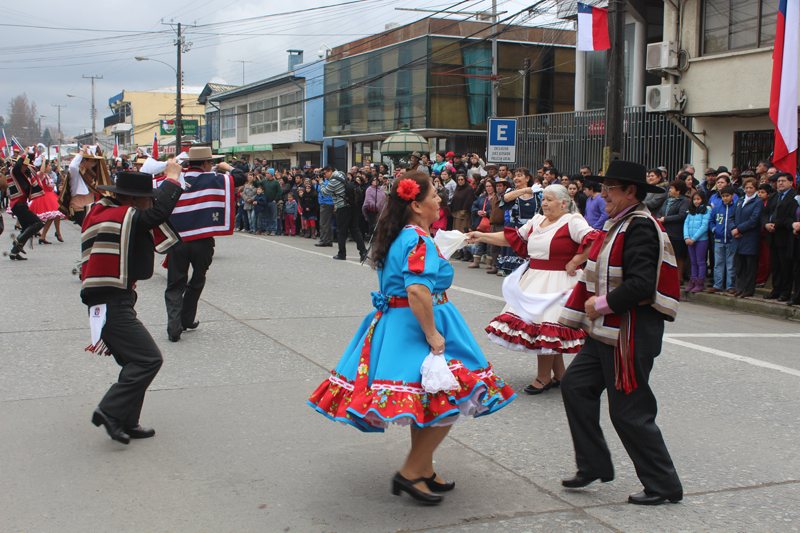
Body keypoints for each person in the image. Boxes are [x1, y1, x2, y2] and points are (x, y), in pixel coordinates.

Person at [308, 171, 516, 505]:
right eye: (434, 195)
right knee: (450, 397)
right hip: (416, 326)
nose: (439, 200)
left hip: (398, 324)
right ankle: (410, 472)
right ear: (417, 205)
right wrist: (433, 334)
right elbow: (417, 290)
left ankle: (424, 469)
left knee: (429, 399)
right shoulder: (417, 239)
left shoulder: (402, 235)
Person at [558, 160, 683, 506]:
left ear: (631, 191)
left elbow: (642, 284)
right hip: (608, 330)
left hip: (630, 331)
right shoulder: (620, 224)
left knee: (629, 410)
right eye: (603, 188)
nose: (603, 194)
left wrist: (599, 305)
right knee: (575, 386)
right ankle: (593, 464)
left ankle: (664, 484)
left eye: (609, 188)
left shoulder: (639, 226)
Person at [82, 165, 183, 444]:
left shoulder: (109, 212)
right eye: (148, 198)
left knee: (133, 361)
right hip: (111, 302)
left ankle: (127, 420)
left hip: (110, 299)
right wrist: (172, 180)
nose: (151, 202)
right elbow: (158, 214)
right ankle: (109, 411)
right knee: (148, 359)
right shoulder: (124, 215)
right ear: (134, 199)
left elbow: (151, 220)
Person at [469, 184, 597, 394]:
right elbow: (511, 238)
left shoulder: (572, 220)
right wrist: (481, 236)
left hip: (560, 281)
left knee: (546, 328)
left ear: (563, 203)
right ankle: (560, 374)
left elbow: (593, 240)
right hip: (536, 278)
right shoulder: (537, 220)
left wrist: (576, 261)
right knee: (547, 329)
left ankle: (543, 377)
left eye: (549, 200)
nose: (544, 203)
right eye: (543, 199)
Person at [164, 147, 246, 342]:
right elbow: (241, 177)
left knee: (175, 284)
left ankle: (174, 327)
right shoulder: (214, 179)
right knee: (197, 280)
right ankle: (186, 318)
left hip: (178, 240)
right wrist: (227, 167)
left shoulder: (176, 179)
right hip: (202, 241)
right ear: (206, 163)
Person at [319, 165, 368, 261]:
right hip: (352, 206)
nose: (324, 176)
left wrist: (321, 182)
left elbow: (324, 192)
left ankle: (342, 254)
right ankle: (363, 251)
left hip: (343, 208)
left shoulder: (333, 181)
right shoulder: (342, 175)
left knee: (341, 231)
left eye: (324, 173)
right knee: (355, 230)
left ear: (330, 171)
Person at [761, 172, 797, 301]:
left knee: (785, 266)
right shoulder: (774, 196)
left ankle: (785, 292)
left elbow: (790, 216)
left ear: (791, 183)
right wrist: (766, 224)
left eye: (783, 181)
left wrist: (776, 224)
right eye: (779, 181)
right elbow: (765, 213)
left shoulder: (794, 197)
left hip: (785, 236)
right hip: (772, 235)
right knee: (775, 265)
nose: (780, 183)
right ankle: (775, 290)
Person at [6, 150, 45, 260]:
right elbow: (18, 165)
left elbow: (31, 165)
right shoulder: (14, 172)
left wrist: (32, 153)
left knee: (26, 228)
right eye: (25, 165)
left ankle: (14, 252)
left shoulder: (23, 174)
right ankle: (18, 242)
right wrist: (24, 152)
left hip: (22, 205)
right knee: (38, 223)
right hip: (18, 206)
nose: (26, 167)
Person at [731, 178, 762, 297]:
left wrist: (738, 229)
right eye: (746, 187)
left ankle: (748, 289)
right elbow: (732, 216)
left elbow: (754, 220)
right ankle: (740, 287)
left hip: (750, 238)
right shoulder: (740, 200)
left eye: (751, 188)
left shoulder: (758, 202)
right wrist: (733, 228)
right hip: (738, 238)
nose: (748, 190)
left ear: (756, 189)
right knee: (740, 265)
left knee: (750, 266)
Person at [657, 180, 690, 284]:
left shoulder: (684, 201)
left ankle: (679, 277)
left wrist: (666, 219)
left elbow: (682, 215)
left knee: (679, 255)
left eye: (672, 188)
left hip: (677, 233)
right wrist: (659, 218)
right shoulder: (667, 201)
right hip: (666, 232)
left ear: (678, 190)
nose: (670, 190)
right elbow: (660, 212)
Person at [29, 158, 66, 244]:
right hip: (45, 196)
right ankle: (47, 234)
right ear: (44, 166)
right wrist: (43, 159)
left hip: (51, 195)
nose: (50, 167)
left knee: (56, 214)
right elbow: (41, 172)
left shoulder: (48, 175)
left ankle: (56, 232)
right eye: (49, 165)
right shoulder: (40, 174)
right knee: (52, 215)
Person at [683, 191, 711, 293]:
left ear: (703, 199)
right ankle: (693, 281)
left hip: (701, 240)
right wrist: (686, 237)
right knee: (693, 262)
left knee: (700, 262)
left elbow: (704, 226)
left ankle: (700, 283)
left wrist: (694, 238)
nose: (696, 201)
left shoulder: (707, 210)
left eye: (698, 199)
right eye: (694, 199)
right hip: (690, 240)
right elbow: (686, 224)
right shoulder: (691, 211)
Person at [256, 169, 281, 236]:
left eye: (268, 173)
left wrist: (276, 199)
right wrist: (255, 179)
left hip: (273, 202)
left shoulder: (276, 182)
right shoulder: (264, 181)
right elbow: (257, 184)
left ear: (272, 174)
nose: (266, 174)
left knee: (273, 217)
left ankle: (273, 230)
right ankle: (267, 230)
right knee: (267, 217)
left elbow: (279, 191)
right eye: (266, 173)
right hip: (266, 202)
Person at [315, 170, 335, 248]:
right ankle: (329, 240)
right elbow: (316, 188)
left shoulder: (328, 182)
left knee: (323, 223)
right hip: (327, 202)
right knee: (328, 223)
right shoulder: (326, 181)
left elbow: (322, 190)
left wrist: (320, 182)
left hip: (326, 203)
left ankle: (323, 240)